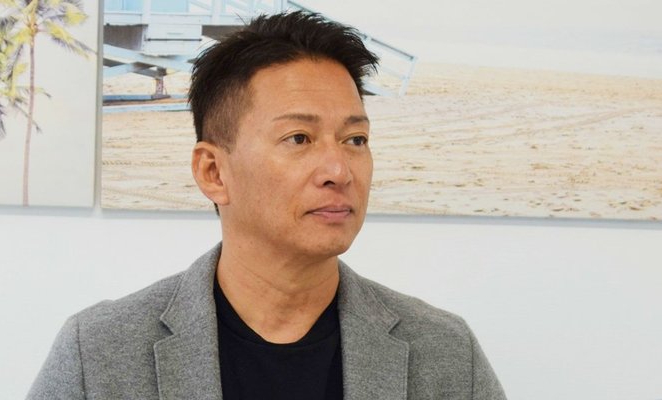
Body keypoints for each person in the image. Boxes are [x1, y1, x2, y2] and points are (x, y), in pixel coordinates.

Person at [27, 11, 506, 400]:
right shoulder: (98, 353)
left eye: (355, 139)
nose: (339, 171)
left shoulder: (446, 352)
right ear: (213, 172)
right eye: (299, 138)